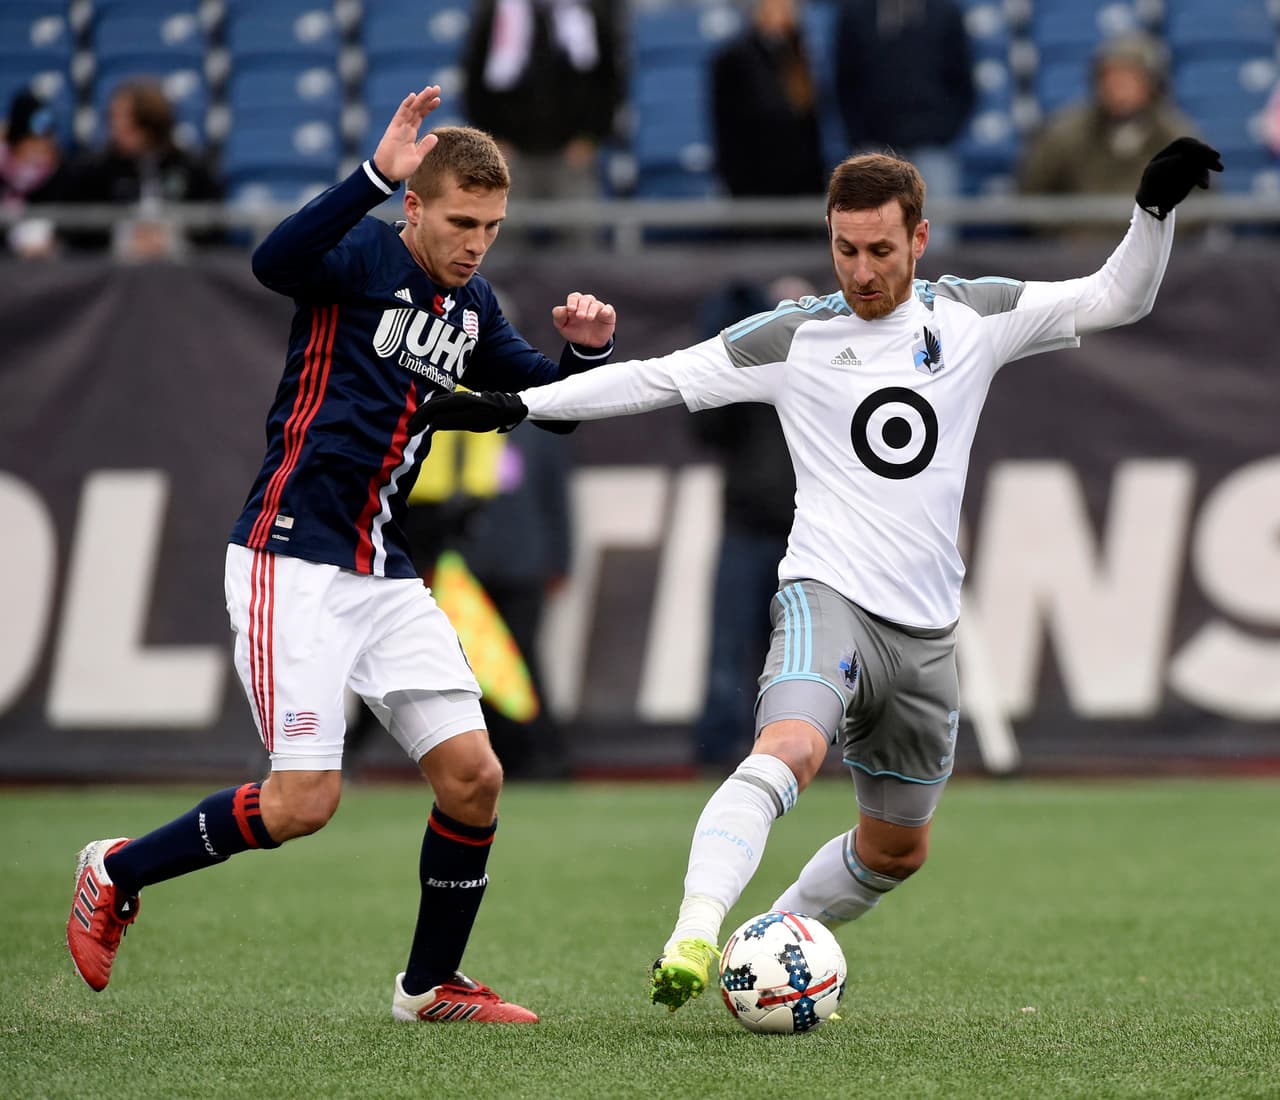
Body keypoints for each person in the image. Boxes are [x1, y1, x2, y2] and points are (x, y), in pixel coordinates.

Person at [404, 137, 1223, 1010]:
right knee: (787, 748)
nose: (862, 270)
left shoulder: (975, 318)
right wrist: (518, 403)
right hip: (824, 596)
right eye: (845, 248)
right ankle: (694, 928)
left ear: (920, 238)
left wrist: (1153, 211)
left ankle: (766, 941)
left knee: (896, 852)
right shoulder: (794, 337)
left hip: (926, 631)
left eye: (880, 249)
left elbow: (1117, 298)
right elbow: (658, 381)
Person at [65, 86, 617, 1023]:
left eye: (491, 224)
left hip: (380, 563)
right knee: (303, 802)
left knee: (475, 778)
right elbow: (271, 259)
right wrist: (368, 175)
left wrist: (584, 359)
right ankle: (116, 869)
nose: (477, 241)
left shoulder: (473, 306)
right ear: (414, 206)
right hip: (291, 556)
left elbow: (543, 408)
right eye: (459, 220)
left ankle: (429, 986)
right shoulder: (361, 251)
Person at [689, 278, 803, 770]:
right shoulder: (745, 376)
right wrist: (735, 354)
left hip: (809, 538)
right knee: (730, 653)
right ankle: (718, 754)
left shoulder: (835, 374)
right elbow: (704, 427)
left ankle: (811, 748)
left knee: (810, 654)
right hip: (746, 529)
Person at [463, 0, 625, 241]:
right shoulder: (497, 13)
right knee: (499, 241)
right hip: (508, 156)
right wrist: (493, 140)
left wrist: (590, 138)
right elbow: (473, 82)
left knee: (580, 242)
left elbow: (610, 81)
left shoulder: (587, 12)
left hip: (572, 157)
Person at [833, 0, 974, 243]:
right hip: (874, 147)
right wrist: (861, 136)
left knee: (936, 242)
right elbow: (845, 81)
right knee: (872, 239)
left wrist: (943, 132)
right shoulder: (856, 13)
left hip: (933, 147)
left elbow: (962, 82)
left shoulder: (945, 12)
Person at [1020, 33, 1196, 200]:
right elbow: (1031, 196)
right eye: (1110, 78)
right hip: (1084, 229)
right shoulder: (1065, 135)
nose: (1118, 88)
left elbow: (1204, 203)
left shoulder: (1176, 136)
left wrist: (1157, 228)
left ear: (1151, 84)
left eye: (1129, 78)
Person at [60, 78, 223, 256]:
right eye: (113, 118)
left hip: (182, 272)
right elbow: (78, 230)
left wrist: (172, 239)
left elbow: (214, 227)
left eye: (126, 121)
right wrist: (125, 239)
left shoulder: (192, 168)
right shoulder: (94, 170)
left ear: (150, 125)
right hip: (111, 273)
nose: (116, 128)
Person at [710, 0, 826, 199]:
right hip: (755, 187)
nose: (784, 9)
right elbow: (727, 131)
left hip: (802, 186)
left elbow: (809, 127)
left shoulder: (800, 55)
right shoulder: (732, 58)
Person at [0, 89, 67, 257]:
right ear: (16, 142)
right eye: (33, 140)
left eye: (47, 138)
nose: (43, 146)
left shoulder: (62, 175)